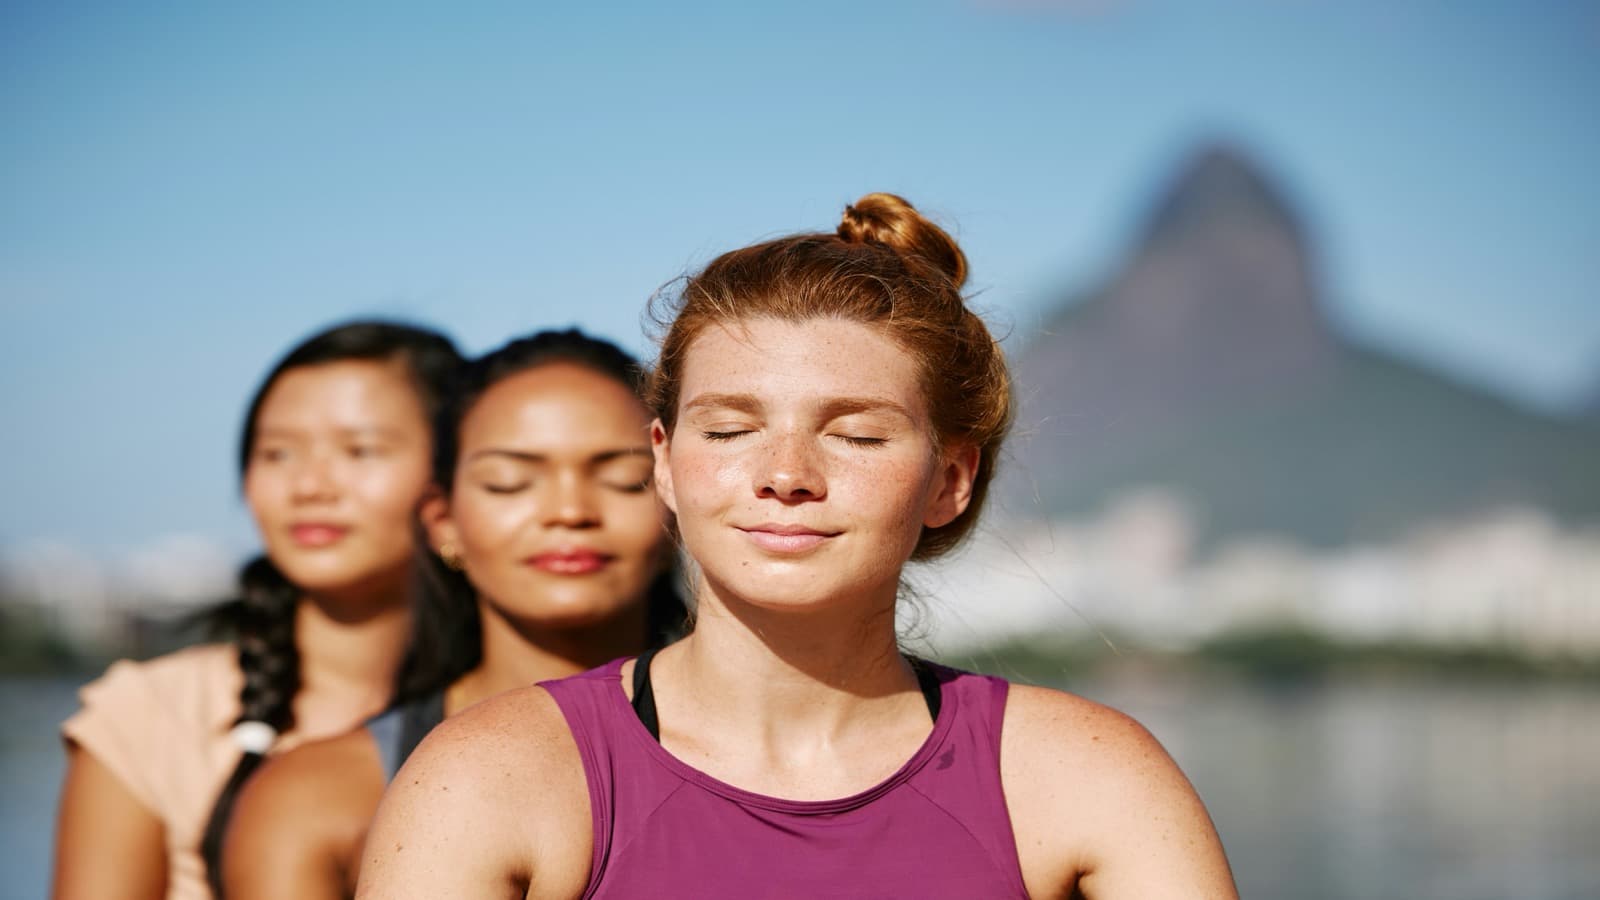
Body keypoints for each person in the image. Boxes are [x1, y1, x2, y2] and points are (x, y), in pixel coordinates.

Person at [355, 194, 1239, 898]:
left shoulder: (1084, 778)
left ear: (950, 479)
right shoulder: (491, 778)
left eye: (856, 436)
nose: (786, 475)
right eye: (729, 430)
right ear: (663, 462)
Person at [220, 329, 684, 899]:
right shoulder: (314, 799)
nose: (569, 511)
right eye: (509, 482)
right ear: (443, 521)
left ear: (678, 502)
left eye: (623, 479)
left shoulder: (772, 751)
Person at [52, 320, 463, 900]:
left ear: (461, 476)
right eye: (277, 453)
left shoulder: (516, 706)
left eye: (360, 450)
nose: (310, 486)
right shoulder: (152, 716)